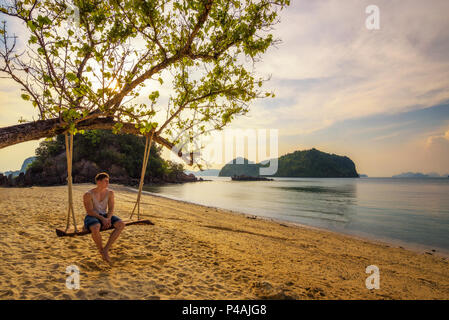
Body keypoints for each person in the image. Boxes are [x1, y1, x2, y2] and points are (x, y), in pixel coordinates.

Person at [83, 172, 125, 264]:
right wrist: (103, 219)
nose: (108, 183)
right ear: (98, 181)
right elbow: (90, 211)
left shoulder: (110, 193)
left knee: (121, 224)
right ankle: (101, 249)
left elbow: (111, 208)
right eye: (105, 181)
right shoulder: (88, 194)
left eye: (108, 181)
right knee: (96, 227)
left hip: (105, 215)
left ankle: (105, 249)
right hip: (92, 216)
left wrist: (108, 218)